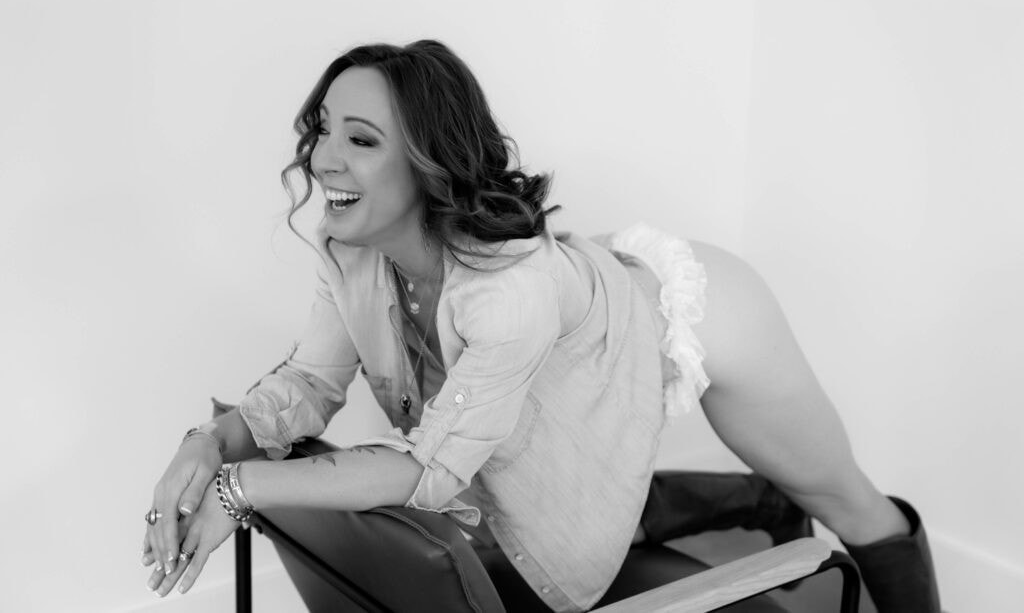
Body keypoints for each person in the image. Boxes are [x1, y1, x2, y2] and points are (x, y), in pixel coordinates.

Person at [141, 40, 940, 612]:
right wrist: (208, 441)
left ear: (427, 160)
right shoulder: (350, 254)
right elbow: (312, 383)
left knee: (846, 500)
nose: (321, 158)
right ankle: (756, 497)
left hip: (700, 311)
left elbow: (429, 474)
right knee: (551, 480)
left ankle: (802, 512)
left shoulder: (507, 291)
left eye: (360, 140)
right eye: (321, 128)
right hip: (571, 364)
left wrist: (238, 486)